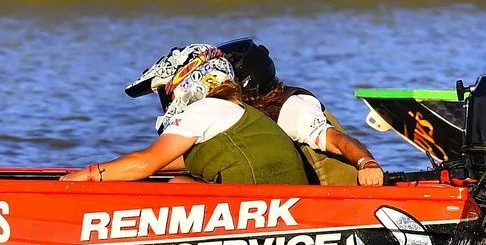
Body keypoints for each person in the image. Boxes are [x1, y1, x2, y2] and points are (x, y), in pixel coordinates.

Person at [62, 44, 309, 184]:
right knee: (181, 181)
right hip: (277, 202)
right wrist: (118, 168)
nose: (165, 103)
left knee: (178, 187)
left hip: (267, 208)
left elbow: (145, 163)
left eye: (165, 93)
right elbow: (165, 160)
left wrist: (87, 175)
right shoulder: (229, 111)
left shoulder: (204, 109)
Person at [217, 38, 384, 186]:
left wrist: (367, 164)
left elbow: (339, 140)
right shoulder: (249, 109)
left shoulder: (291, 109)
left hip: (337, 198)